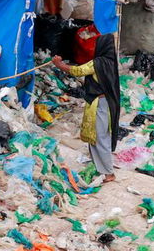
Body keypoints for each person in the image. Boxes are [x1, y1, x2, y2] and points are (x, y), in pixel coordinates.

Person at [51, 33, 122, 183]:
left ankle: (109, 173)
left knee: (100, 137)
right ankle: (102, 169)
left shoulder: (98, 63)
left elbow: (78, 71)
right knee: (99, 137)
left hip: (100, 104)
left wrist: (59, 65)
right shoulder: (111, 62)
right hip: (108, 103)